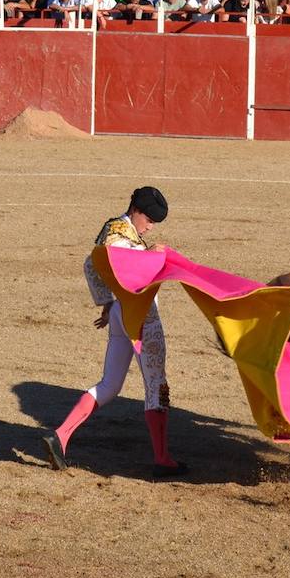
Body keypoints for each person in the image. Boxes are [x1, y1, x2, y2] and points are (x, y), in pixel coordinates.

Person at [42, 186, 185, 479]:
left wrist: (106, 303)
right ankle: (162, 458)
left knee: (109, 385)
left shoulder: (110, 229)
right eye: (150, 219)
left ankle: (60, 435)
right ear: (137, 211)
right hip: (142, 315)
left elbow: (91, 265)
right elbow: (137, 271)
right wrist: (157, 256)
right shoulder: (125, 241)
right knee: (157, 385)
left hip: (120, 313)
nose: (151, 226)